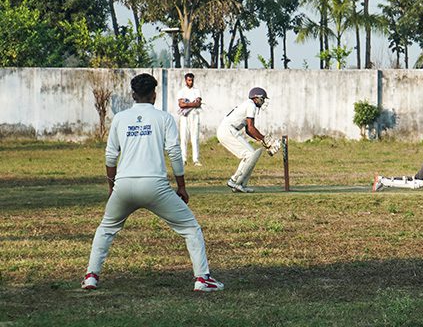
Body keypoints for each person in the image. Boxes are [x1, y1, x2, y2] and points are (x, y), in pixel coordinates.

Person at [81, 73, 223, 292]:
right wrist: (182, 186)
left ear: (133, 95)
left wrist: (112, 187)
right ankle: (202, 279)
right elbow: (175, 153)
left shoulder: (120, 119)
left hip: (124, 186)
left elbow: (110, 156)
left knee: (105, 229)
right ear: (154, 95)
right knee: (190, 228)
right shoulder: (164, 118)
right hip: (155, 186)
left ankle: (91, 276)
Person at [217, 87, 279, 193]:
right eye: (262, 99)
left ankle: (241, 184)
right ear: (256, 98)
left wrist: (262, 141)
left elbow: (248, 131)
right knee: (250, 154)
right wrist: (264, 139)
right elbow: (251, 128)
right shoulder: (251, 105)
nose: (263, 101)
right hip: (228, 130)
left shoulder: (248, 104)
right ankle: (234, 180)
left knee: (251, 155)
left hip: (227, 130)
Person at [177, 73, 202, 166]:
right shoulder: (181, 91)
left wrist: (187, 104)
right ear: (185, 80)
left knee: (195, 137)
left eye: (192, 80)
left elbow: (198, 103)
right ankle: (183, 159)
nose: (190, 82)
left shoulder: (197, 91)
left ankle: (196, 159)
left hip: (195, 115)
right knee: (183, 137)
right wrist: (192, 104)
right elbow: (181, 105)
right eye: (189, 80)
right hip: (184, 116)